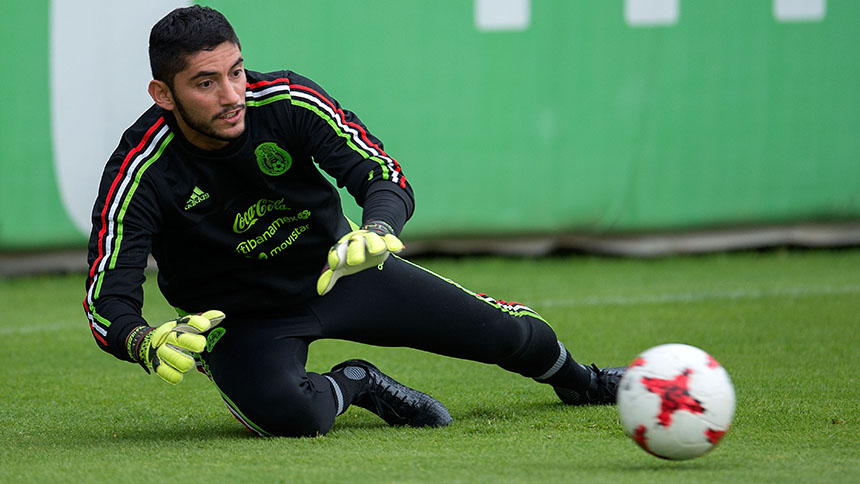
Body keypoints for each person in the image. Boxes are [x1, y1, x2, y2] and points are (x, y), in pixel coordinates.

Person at [84, 5, 625, 438]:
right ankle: (357, 382)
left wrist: (378, 230)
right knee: (291, 417)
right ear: (163, 94)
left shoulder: (288, 101)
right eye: (205, 83)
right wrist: (143, 341)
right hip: (241, 318)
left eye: (236, 72)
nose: (231, 96)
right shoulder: (139, 170)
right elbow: (107, 299)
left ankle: (583, 382)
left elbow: (381, 174)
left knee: (509, 335)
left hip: (339, 271)